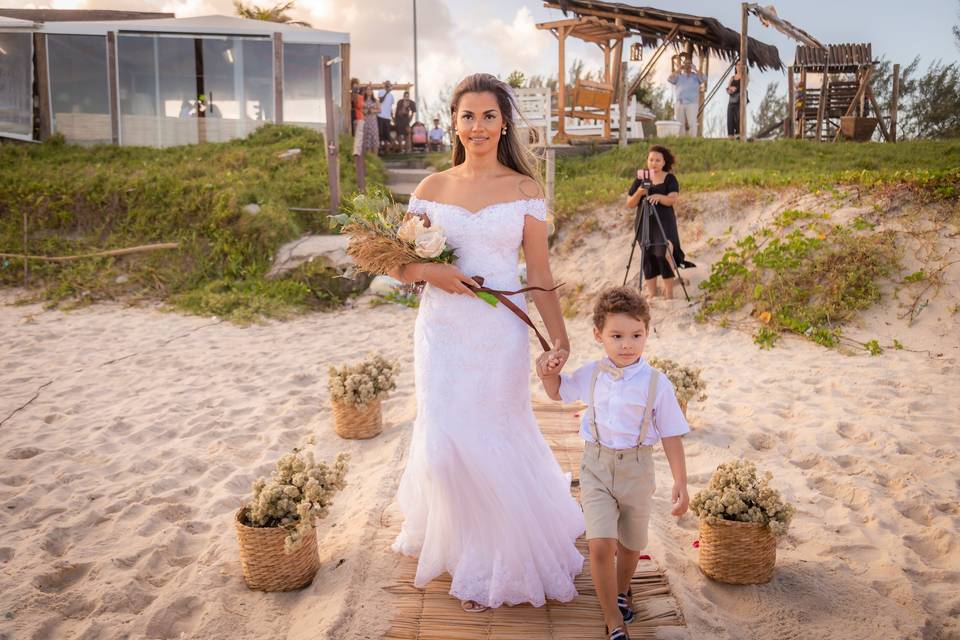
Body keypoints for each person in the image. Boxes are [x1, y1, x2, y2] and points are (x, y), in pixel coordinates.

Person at [388, 73, 584, 612]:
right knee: (444, 446)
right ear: (453, 121)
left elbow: (540, 274)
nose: (478, 126)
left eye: (488, 116)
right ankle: (461, 542)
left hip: (499, 334)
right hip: (442, 332)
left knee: (493, 435)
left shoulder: (525, 190)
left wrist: (560, 339)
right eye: (468, 116)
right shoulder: (430, 188)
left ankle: (496, 557)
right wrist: (434, 272)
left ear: (504, 124)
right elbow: (397, 265)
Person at [537, 286, 689, 640]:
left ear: (647, 333)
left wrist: (681, 482)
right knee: (601, 544)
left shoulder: (657, 383)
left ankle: (622, 589)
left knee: (631, 546)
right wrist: (547, 372)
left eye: (636, 335)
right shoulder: (592, 373)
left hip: (638, 468)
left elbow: (670, 433)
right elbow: (558, 391)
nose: (627, 344)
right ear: (598, 335)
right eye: (616, 336)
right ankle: (612, 621)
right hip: (596, 466)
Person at [626, 145, 692, 300]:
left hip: (664, 223)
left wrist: (659, 197)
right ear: (647, 161)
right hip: (645, 223)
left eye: (657, 160)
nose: (653, 163)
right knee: (648, 257)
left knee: (664, 253)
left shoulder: (669, 178)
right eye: (651, 160)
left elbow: (672, 199)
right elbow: (630, 203)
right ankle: (652, 293)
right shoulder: (641, 179)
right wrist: (640, 192)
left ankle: (669, 293)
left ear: (663, 162)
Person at [667, 56, 705, 137]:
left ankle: (692, 140)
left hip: (692, 103)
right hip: (680, 102)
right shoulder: (679, 76)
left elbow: (704, 79)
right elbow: (669, 79)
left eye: (689, 64)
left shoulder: (696, 76)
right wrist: (678, 69)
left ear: (691, 65)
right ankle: (681, 139)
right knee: (679, 123)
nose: (687, 66)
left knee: (692, 123)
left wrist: (695, 69)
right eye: (685, 64)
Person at [362, 85, 380, 154]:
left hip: (373, 122)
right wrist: (365, 111)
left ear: (372, 91)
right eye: (367, 89)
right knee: (367, 141)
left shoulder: (375, 100)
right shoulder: (363, 100)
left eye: (370, 89)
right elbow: (360, 110)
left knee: (375, 140)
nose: (369, 91)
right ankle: (369, 160)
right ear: (365, 91)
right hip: (366, 122)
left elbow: (379, 110)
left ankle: (375, 158)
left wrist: (373, 111)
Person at [378, 80, 395, 153]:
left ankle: (386, 149)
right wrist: (387, 92)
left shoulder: (391, 95)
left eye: (389, 85)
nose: (388, 86)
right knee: (380, 133)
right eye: (387, 84)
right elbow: (381, 101)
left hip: (388, 117)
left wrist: (392, 115)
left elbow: (390, 106)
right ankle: (380, 149)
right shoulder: (381, 91)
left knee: (387, 134)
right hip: (380, 115)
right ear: (385, 85)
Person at [727, 63, 742, 139]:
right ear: (735, 66)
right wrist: (730, 90)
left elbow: (744, 87)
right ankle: (730, 138)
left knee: (738, 121)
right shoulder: (732, 78)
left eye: (741, 64)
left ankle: (739, 137)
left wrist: (735, 89)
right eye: (738, 64)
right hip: (731, 101)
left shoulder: (745, 77)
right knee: (730, 120)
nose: (739, 66)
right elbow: (728, 88)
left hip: (740, 102)